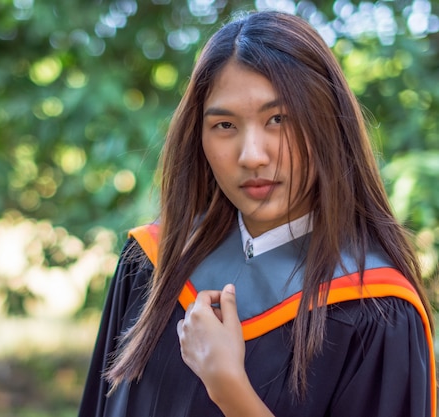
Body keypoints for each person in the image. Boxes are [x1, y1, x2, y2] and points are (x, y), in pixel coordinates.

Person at [78, 10, 436, 417]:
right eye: (225, 125)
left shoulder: (375, 309)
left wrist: (229, 388)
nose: (251, 156)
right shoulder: (151, 264)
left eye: (279, 119)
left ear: (329, 125)